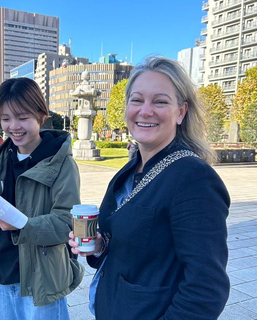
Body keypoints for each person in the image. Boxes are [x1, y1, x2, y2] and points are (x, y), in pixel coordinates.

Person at [69, 56, 231, 320]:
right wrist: (99, 245)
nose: (145, 111)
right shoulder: (131, 169)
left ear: (181, 112)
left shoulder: (193, 178)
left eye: (160, 101)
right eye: (137, 100)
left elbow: (207, 288)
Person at [0, 77, 84, 320]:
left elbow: (68, 222)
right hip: (0, 271)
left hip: (43, 277)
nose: (13, 126)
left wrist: (24, 225)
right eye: (5, 118)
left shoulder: (61, 163)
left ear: (41, 115)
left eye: (23, 117)